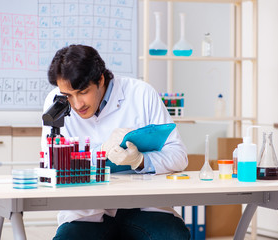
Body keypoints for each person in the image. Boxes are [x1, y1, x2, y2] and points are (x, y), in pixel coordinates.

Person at [42, 44, 190, 240]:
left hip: (142, 205)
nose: (77, 105)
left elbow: (179, 156)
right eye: (69, 95)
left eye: (83, 92)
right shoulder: (56, 103)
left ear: (100, 79)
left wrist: (140, 160)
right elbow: (52, 165)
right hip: (87, 211)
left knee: (173, 237)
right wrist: (100, 152)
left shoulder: (141, 94)